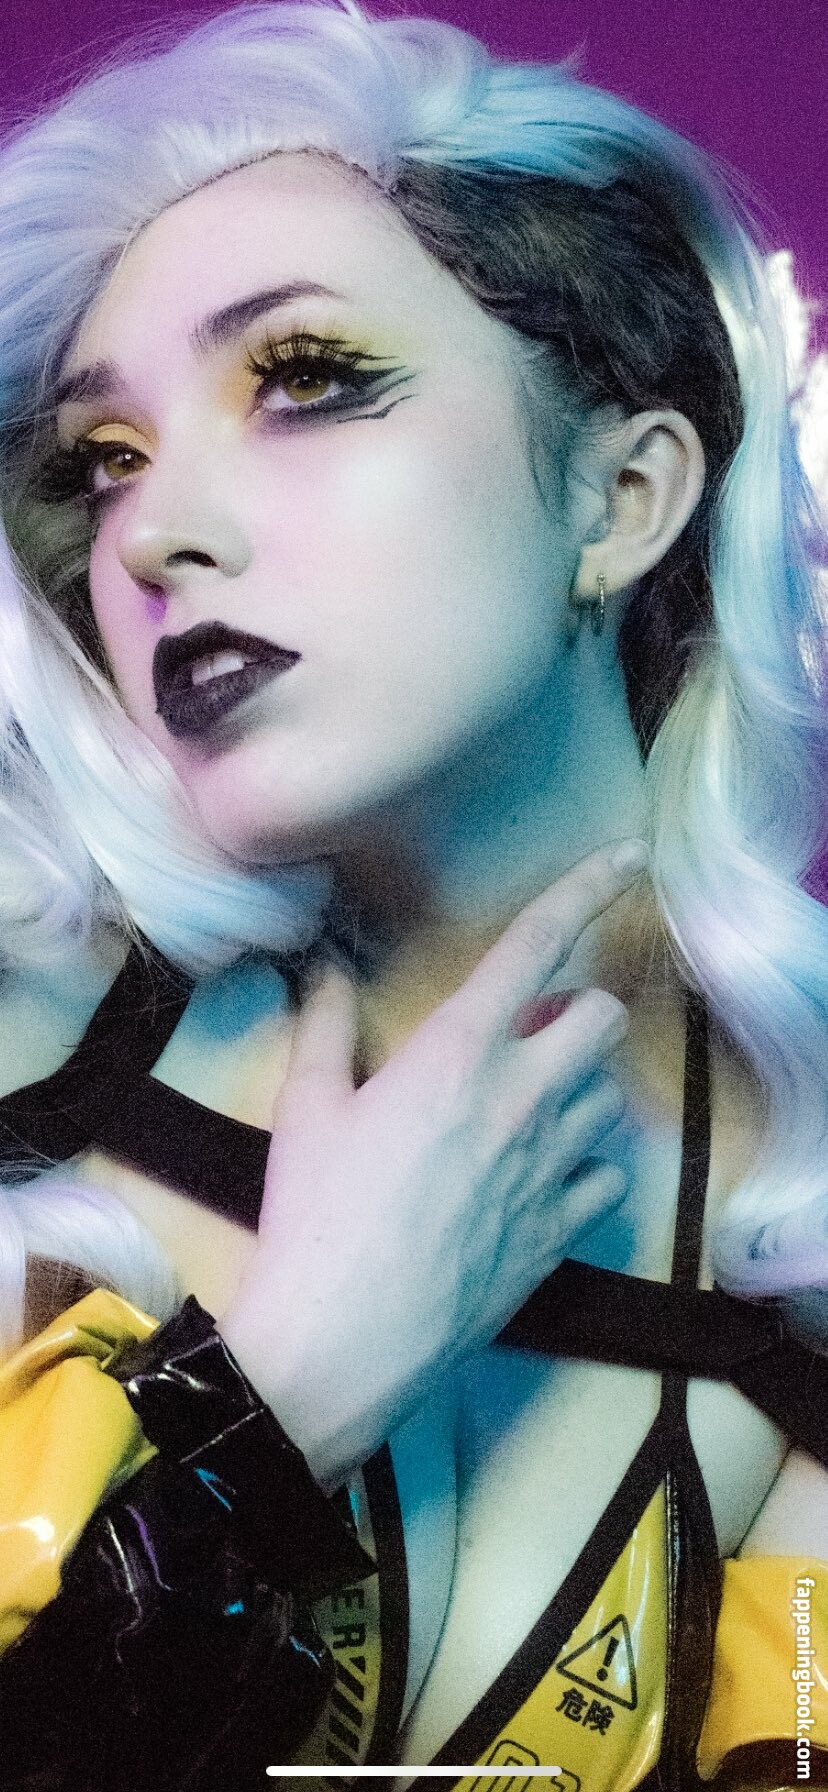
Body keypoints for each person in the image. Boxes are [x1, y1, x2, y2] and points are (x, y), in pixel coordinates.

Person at [0, 3, 825, 1787]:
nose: (152, 533)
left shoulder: (800, 1226)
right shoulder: (25, 1055)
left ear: (624, 494)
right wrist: (290, 1389)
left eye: (301, 377)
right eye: (101, 460)